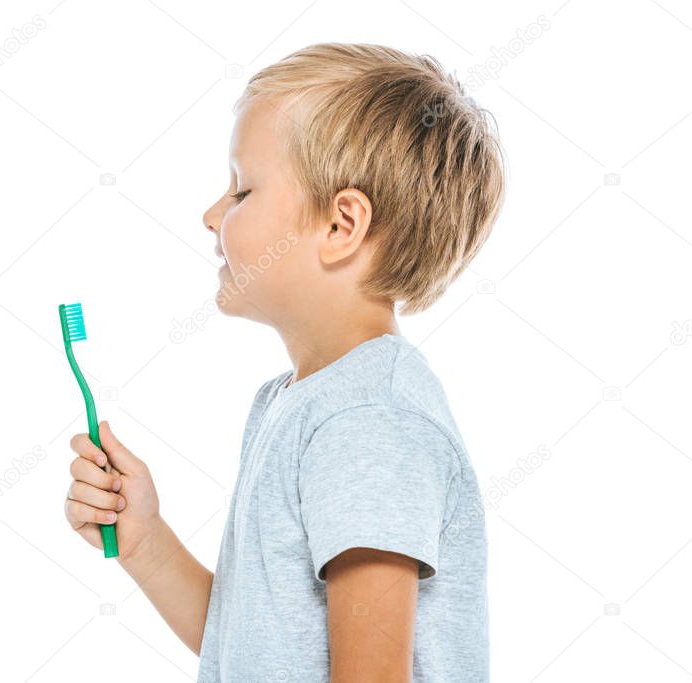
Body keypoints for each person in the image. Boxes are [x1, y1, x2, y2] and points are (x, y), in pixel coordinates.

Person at [63, 42, 505, 682]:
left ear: (339, 225)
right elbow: (256, 646)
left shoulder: (369, 422)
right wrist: (147, 542)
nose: (211, 215)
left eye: (242, 190)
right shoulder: (299, 401)